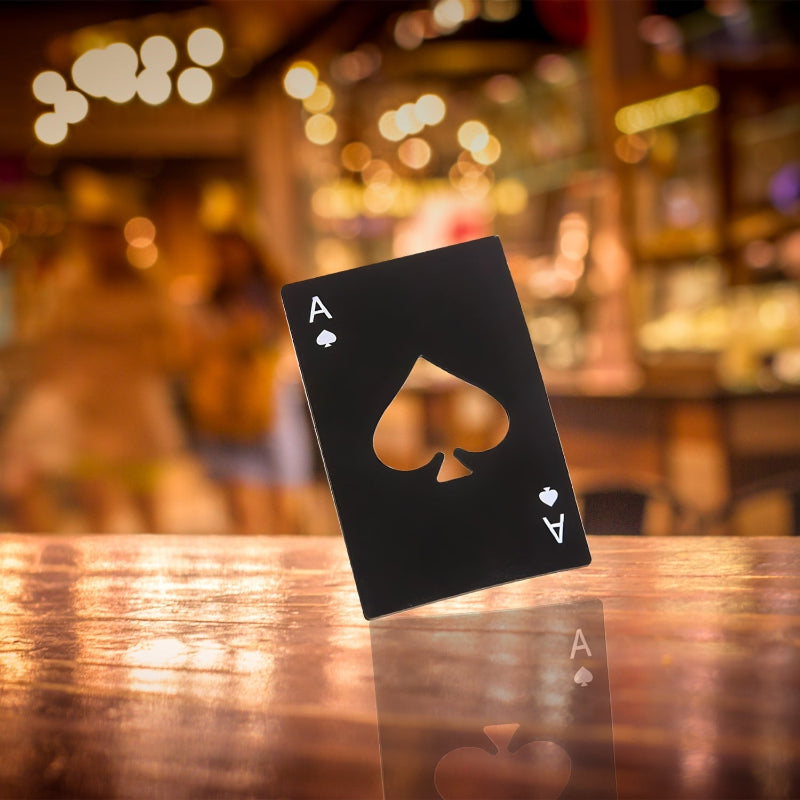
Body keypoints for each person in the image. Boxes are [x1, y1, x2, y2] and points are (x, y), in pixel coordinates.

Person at [0, 212, 184, 532]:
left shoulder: (143, 290)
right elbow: (53, 351)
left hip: (134, 409)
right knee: (98, 506)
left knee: (147, 505)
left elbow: (171, 346)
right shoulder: (75, 292)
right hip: (89, 411)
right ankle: (101, 575)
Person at [186, 231, 287, 534]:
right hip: (225, 401)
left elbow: (282, 342)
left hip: (270, 396)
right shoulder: (209, 301)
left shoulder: (271, 295)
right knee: (237, 491)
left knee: (279, 489)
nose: (229, 261)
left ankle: (283, 554)